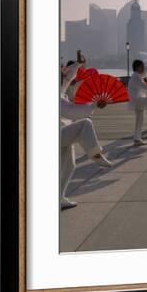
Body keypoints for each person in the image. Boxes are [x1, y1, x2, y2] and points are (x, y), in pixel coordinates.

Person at [59, 50, 112, 210]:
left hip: (63, 132)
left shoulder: (59, 89)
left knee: (69, 166)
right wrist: (95, 105)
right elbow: (71, 111)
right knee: (85, 124)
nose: (64, 78)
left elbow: (68, 78)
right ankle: (96, 153)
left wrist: (78, 64)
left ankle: (59, 197)